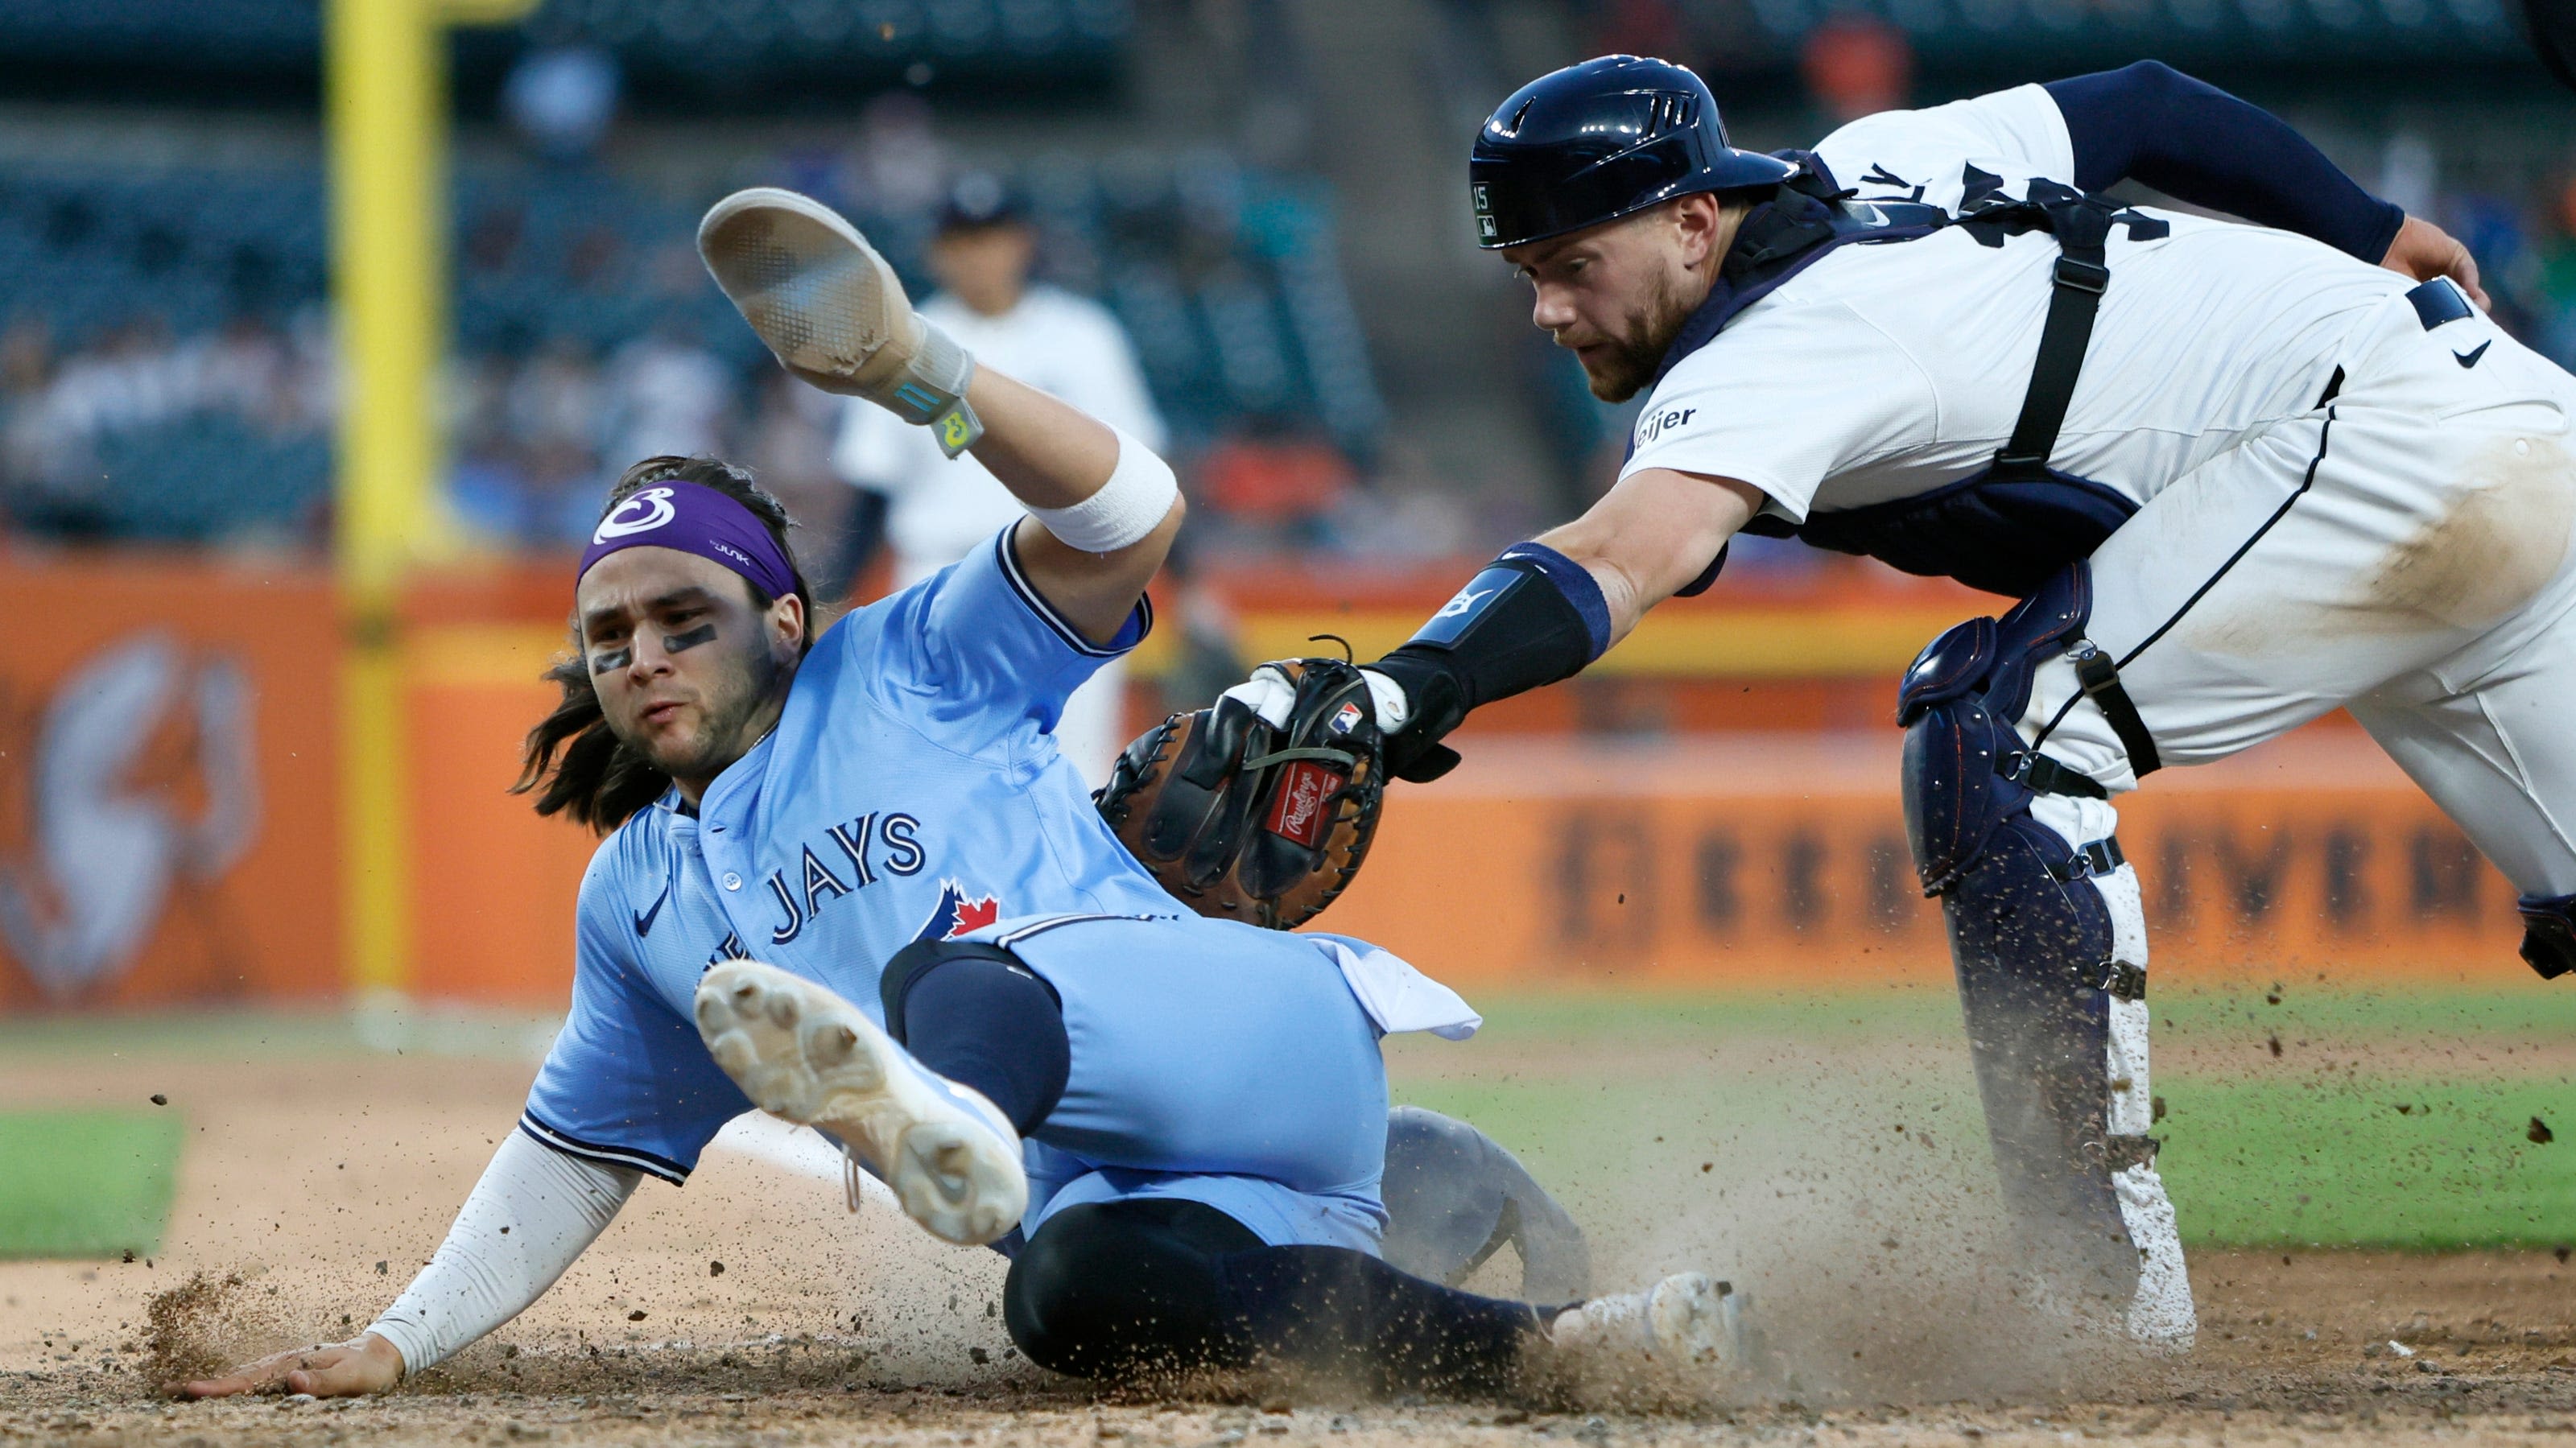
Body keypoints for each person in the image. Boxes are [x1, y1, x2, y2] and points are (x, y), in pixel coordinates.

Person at [171, 190, 1685, 1403]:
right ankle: (1560, 1330)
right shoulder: (639, 891)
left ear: (782, 617)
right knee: (1071, 1295)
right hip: (1163, 1180)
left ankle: (945, 1105)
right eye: (609, 633)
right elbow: (570, 1156)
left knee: (944, 971)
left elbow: (1133, 511)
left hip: (1234, 1030)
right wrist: (396, 1340)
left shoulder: (905, 660)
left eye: (682, 615)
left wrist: (920, 370)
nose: (641, 653)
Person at [1225, 55, 2549, 1349]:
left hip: (2371, 446)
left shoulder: (1778, 346)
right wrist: (2372, 227)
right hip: (2502, 407)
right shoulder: (1880, 158)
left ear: (1694, 224)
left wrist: (1402, 691)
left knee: (2005, 730)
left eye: (1574, 263)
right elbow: (2146, 105)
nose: (1549, 310)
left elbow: (1628, 553)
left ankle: (2099, 1297)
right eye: (1529, 273)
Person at [833, 172, 1166, 784]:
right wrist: (836, 595)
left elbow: (1140, 476)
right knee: (938, 771)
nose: (979, 255)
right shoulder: (900, 345)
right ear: (938, 252)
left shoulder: (1086, 336)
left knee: (1075, 772)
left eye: (992, 237)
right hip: (937, 577)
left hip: (1063, 575)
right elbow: (870, 492)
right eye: (963, 241)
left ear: (1023, 242)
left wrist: (1191, 586)